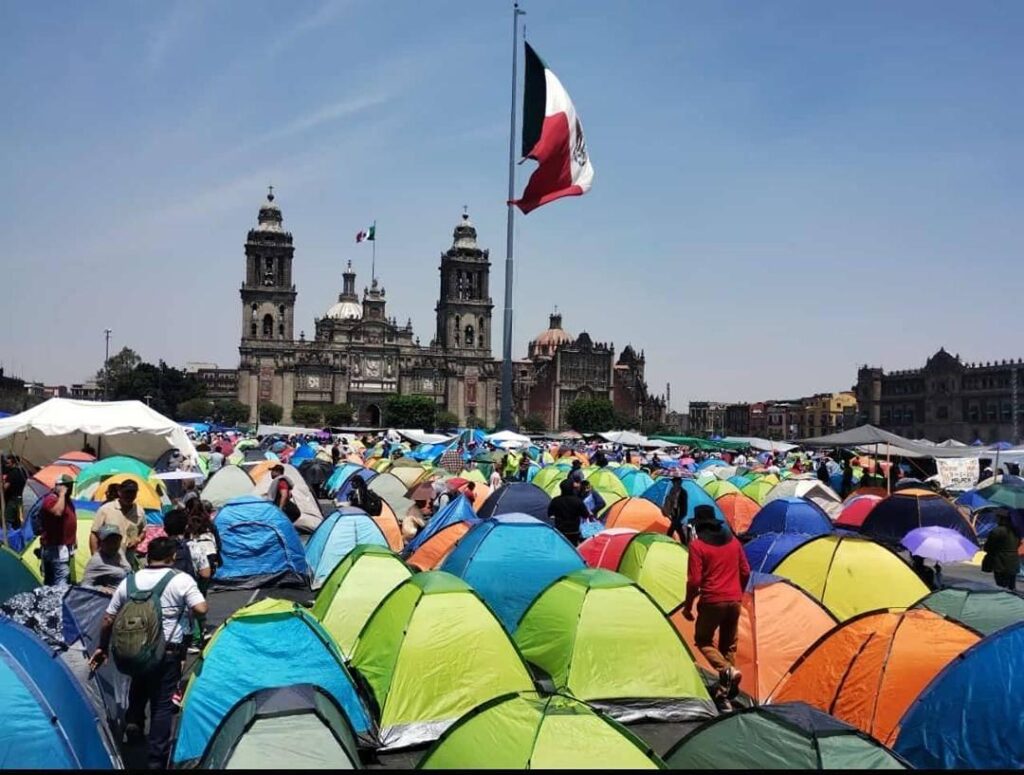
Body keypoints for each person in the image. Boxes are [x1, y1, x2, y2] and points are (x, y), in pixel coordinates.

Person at [90, 537, 207, 770]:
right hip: (168, 651)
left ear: (149, 556)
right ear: (172, 556)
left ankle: (134, 721)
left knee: (140, 681)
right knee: (162, 706)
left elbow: (108, 618)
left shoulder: (130, 581)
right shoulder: (180, 579)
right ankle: (156, 759)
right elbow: (201, 608)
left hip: (136, 648)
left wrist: (103, 646)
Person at [681, 505, 750, 712]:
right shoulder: (734, 543)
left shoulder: (697, 547)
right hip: (734, 600)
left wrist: (688, 606)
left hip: (712, 600)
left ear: (698, 527)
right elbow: (745, 571)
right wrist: (738, 592)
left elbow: (694, 581)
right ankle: (724, 695)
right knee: (728, 645)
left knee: (703, 640)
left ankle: (726, 670)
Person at [92, 479, 146, 568]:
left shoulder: (140, 512)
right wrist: (94, 557)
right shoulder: (105, 509)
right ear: (120, 492)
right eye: (127, 492)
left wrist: (137, 539)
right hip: (107, 561)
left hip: (128, 561)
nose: (130, 496)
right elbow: (94, 534)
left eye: (133, 493)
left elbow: (143, 531)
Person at [40, 474, 78, 585]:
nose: (69, 489)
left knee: (56, 577)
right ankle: (60, 598)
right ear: (58, 486)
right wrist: (61, 494)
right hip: (56, 546)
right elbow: (57, 512)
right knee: (62, 576)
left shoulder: (66, 500)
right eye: (66, 486)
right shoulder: (51, 499)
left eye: (70, 486)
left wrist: (74, 538)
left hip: (66, 545)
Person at [81, 524, 131, 591]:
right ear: (101, 543)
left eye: (116, 540)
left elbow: (127, 570)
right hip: (110, 598)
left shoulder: (119, 552)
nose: (113, 544)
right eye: (109, 541)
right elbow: (84, 586)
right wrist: (100, 589)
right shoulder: (97, 560)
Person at [983, 509, 1021, 590]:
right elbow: (1017, 544)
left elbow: (988, 547)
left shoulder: (997, 531)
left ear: (1001, 519)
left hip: (1000, 563)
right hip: (1013, 562)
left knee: (1001, 586)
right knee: (1011, 587)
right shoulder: (1016, 531)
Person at [548, 479, 588, 546]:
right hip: (574, 531)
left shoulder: (555, 500)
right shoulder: (578, 501)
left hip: (560, 530)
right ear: (572, 488)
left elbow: (550, 514)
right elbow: (585, 515)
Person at [1, 454, 27, 529]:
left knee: (8, 519)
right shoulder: (22, 471)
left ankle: (7, 535)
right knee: (20, 520)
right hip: (21, 498)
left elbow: (5, 488)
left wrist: (2, 483)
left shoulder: (12, 473)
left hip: (13, 500)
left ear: (13, 463)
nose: (6, 465)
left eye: (8, 463)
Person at [663, 475, 689, 541]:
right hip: (674, 512)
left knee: (672, 528)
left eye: (675, 482)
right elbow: (670, 500)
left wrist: (682, 515)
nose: (674, 484)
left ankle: (667, 539)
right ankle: (684, 542)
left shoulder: (683, 492)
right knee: (679, 529)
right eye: (674, 482)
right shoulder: (672, 490)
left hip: (680, 513)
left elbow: (684, 505)